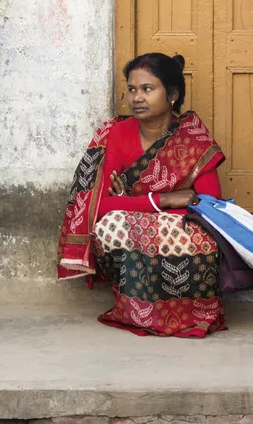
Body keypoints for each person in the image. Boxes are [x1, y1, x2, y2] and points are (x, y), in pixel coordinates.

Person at [57, 53, 228, 337]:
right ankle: (136, 311)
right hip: (137, 228)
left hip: (181, 230)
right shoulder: (115, 133)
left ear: (172, 95)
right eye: (133, 89)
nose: (137, 98)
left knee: (200, 239)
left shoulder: (193, 140)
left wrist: (132, 205)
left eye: (148, 89)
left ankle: (194, 313)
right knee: (112, 227)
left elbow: (210, 208)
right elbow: (96, 207)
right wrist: (164, 200)